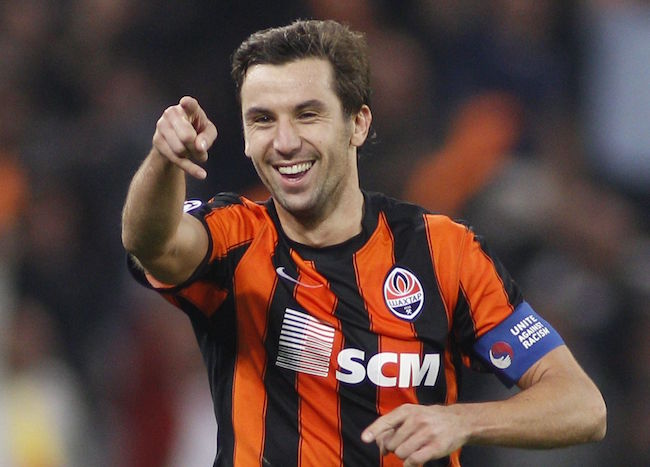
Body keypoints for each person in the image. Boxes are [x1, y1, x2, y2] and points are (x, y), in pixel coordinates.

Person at [121, 19, 606, 467]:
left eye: (307, 115)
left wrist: (462, 421)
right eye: (263, 120)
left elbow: (581, 405)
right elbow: (151, 242)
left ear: (358, 123)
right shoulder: (234, 237)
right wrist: (165, 161)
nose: (284, 141)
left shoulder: (444, 251)